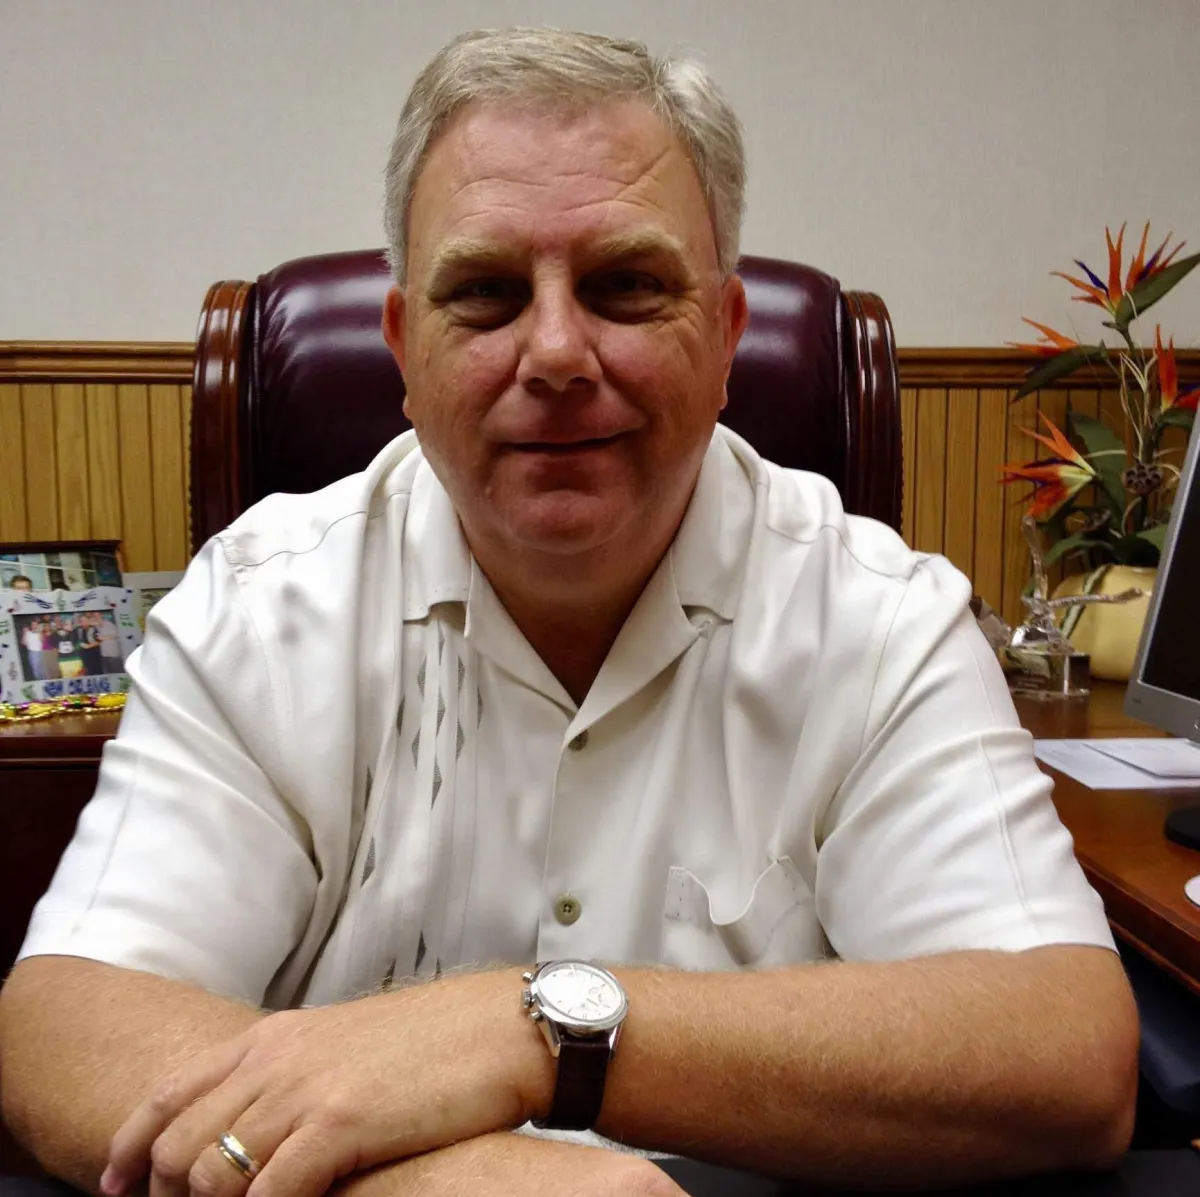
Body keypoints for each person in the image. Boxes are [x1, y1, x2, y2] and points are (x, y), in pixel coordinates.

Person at [0, 27, 1137, 1197]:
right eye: (484, 293)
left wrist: (532, 1034)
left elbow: (1065, 1052)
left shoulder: (884, 620)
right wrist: (451, 1185)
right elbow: (66, 1024)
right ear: (403, 347)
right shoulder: (257, 610)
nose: (553, 353)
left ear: (728, 335)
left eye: (626, 287)